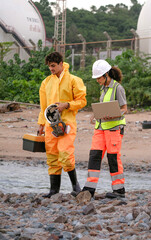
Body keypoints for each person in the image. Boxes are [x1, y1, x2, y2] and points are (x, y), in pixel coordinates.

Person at [37, 51, 87, 198]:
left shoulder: (74, 80)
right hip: (50, 124)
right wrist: (41, 124)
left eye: (53, 66)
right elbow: (43, 106)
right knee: (52, 155)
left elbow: (82, 101)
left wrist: (67, 105)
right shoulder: (46, 82)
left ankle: (76, 187)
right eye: (49, 67)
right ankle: (54, 191)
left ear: (60, 63)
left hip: (67, 123)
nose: (51, 69)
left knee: (65, 154)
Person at [81, 59, 127, 199]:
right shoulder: (103, 88)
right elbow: (104, 106)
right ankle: (89, 189)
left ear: (106, 75)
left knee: (113, 157)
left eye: (99, 77)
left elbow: (124, 108)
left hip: (114, 128)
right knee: (94, 156)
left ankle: (119, 190)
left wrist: (112, 115)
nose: (97, 80)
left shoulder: (118, 88)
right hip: (100, 127)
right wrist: (95, 114)